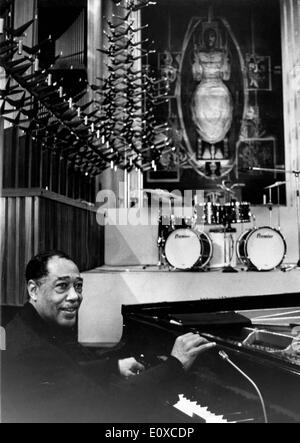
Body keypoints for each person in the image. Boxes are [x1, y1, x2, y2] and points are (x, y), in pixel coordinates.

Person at [1, 251, 216, 423]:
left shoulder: (25, 327)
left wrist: (113, 367)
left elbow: (63, 373)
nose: (75, 296)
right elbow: (106, 406)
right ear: (33, 290)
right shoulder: (31, 350)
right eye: (62, 286)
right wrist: (174, 364)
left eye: (78, 286)